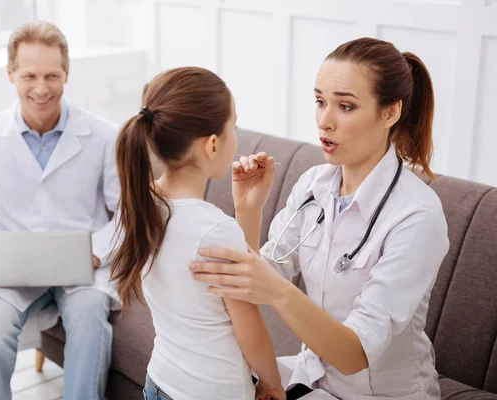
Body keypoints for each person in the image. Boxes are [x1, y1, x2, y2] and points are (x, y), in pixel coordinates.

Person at [189, 37, 449, 399]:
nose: (324, 121)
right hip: (312, 376)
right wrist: (248, 208)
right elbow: (261, 275)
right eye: (320, 101)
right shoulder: (315, 184)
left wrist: (279, 292)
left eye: (345, 106)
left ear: (390, 113)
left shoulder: (417, 216)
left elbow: (354, 354)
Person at [0, 21, 120, 400]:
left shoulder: (104, 135)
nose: (41, 89)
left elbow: (127, 213)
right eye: (30, 76)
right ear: (11, 75)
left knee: (90, 315)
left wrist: (97, 250)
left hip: (82, 267)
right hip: (14, 269)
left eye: (52, 76)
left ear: (67, 74)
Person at [111, 66, 285, 400]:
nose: (236, 135)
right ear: (213, 144)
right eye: (234, 125)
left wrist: (247, 209)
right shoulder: (214, 230)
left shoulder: (143, 203)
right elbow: (251, 333)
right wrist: (272, 383)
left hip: (161, 382)